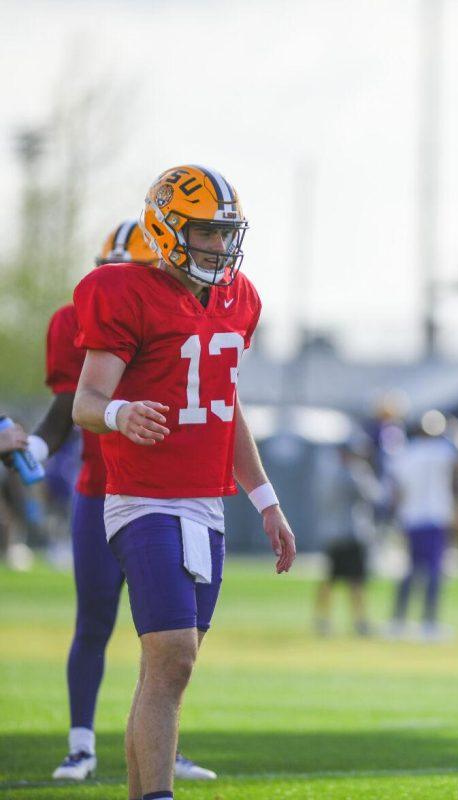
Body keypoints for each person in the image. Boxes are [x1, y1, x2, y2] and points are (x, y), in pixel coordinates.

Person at [71, 165, 297, 800]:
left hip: (206, 504)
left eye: (226, 234)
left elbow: (227, 409)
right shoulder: (124, 291)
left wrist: (267, 502)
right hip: (142, 499)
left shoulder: (240, 298)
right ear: (167, 229)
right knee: (173, 654)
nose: (219, 247)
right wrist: (120, 412)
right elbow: (85, 402)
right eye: (205, 233)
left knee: (167, 670)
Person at [27, 222, 217, 781]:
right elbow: (73, 400)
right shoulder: (79, 316)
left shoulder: (193, 303)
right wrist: (38, 444)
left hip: (171, 493)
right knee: (96, 621)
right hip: (102, 486)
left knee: (166, 639)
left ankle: (162, 747)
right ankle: (82, 741)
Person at [390, 409, 458, 640]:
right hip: (436, 517)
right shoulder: (443, 451)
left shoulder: (407, 452)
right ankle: (428, 623)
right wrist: (456, 428)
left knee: (412, 569)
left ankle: (398, 620)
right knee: (435, 571)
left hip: (412, 517)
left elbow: (397, 489)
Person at [313, 439, 384, 637]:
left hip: (333, 533)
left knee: (330, 579)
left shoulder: (326, 473)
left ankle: (322, 619)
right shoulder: (354, 473)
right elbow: (374, 495)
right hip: (352, 532)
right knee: (355, 580)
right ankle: (360, 621)